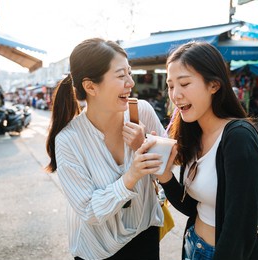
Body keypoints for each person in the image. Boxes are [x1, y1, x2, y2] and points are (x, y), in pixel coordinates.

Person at [45, 38, 166, 260]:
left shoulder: (143, 112)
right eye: (121, 75)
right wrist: (131, 176)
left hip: (145, 236)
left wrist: (146, 145)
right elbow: (89, 210)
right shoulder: (69, 140)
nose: (130, 82)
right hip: (97, 249)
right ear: (90, 86)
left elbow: (168, 168)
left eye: (129, 73)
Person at [156, 41, 258, 260]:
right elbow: (193, 207)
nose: (175, 94)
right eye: (171, 85)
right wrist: (164, 174)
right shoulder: (193, 134)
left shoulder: (239, 138)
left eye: (184, 83)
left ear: (214, 85)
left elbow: (240, 228)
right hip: (193, 244)